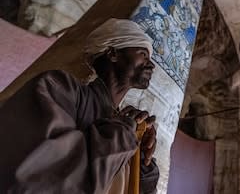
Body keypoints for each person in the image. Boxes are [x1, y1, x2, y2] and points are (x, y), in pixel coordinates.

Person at [0, 18, 159, 193]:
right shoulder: (57, 88)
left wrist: (143, 158)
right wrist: (122, 132)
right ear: (113, 54)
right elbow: (45, 176)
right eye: (143, 54)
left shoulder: (126, 125)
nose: (151, 65)